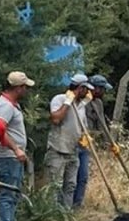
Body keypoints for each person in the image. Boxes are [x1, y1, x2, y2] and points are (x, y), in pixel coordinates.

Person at [0, 71, 34, 221]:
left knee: (13, 192)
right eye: (25, 87)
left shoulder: (11, 104)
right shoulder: (5, 106)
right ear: (17, 88)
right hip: (6, 157)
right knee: (8, 192)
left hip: (11, 157)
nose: (26, 91)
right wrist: (15, 149)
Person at [47, 73, 92, 209]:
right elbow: (56, 119)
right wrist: (68, 102)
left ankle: (66, 214)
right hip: (58, 150)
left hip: (73, 151)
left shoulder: (81, 106)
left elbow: (83, 126)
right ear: (79, 88)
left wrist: (85, 137)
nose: (88, 92)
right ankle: (52, 214)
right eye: (86, 89)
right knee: (55, 185)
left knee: (70, 185)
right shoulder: (59, 99)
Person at [74, 73, 117, 208]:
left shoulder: (98, 103)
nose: (104, 92)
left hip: (88, 145)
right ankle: (68, 206)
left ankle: (77, 205)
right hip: (76, 143)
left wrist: (110, 143)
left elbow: (102, 125)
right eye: (102, 89)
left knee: (84, 177)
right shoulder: (82, 102)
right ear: (95, 88)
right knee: (72, 177)